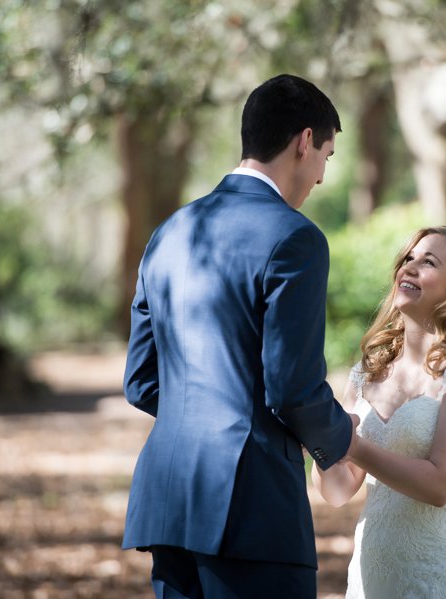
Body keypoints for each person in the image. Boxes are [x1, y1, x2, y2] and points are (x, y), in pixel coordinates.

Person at [122, 74, 358, 599]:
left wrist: (208, 416)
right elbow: (291, 387)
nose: (321, 176)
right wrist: (340, 439)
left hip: (167, 502)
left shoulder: (170, 232)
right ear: (303, 142)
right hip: (251, 507)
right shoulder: (295, 237)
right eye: (327, 154)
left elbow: (141, 381)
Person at [312, 226, 446, 598]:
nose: (410, 267)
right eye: (408, 259)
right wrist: (322, 438)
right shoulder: (368, 371)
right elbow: (338, 491)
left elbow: (440, 486)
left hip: (443, 576)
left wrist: (352, 445)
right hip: (373, 575)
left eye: (428, 262)